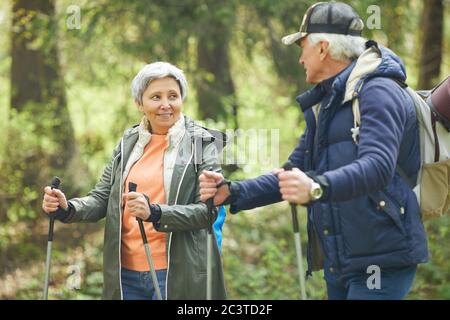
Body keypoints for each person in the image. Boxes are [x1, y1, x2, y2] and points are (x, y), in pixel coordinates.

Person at [199, 2, 428, 300]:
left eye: (302, 46)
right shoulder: (327, 102)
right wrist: (232, 192)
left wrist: (317, 188)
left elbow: (378, 167)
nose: (300, 58)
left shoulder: (378, 92)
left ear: (322, 48)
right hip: (341, 258)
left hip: (380, 260)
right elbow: (293, 173)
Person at [42, 61, 227, 300]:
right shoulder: (128, 144)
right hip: (125, 274)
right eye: (155, 97)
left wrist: (156, 213)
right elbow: (102, 198)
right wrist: (68, 208)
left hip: (176, 271)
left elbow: (208, 211)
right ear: (139, 104)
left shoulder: (201, 144)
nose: (166, 104)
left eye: (173, 95)